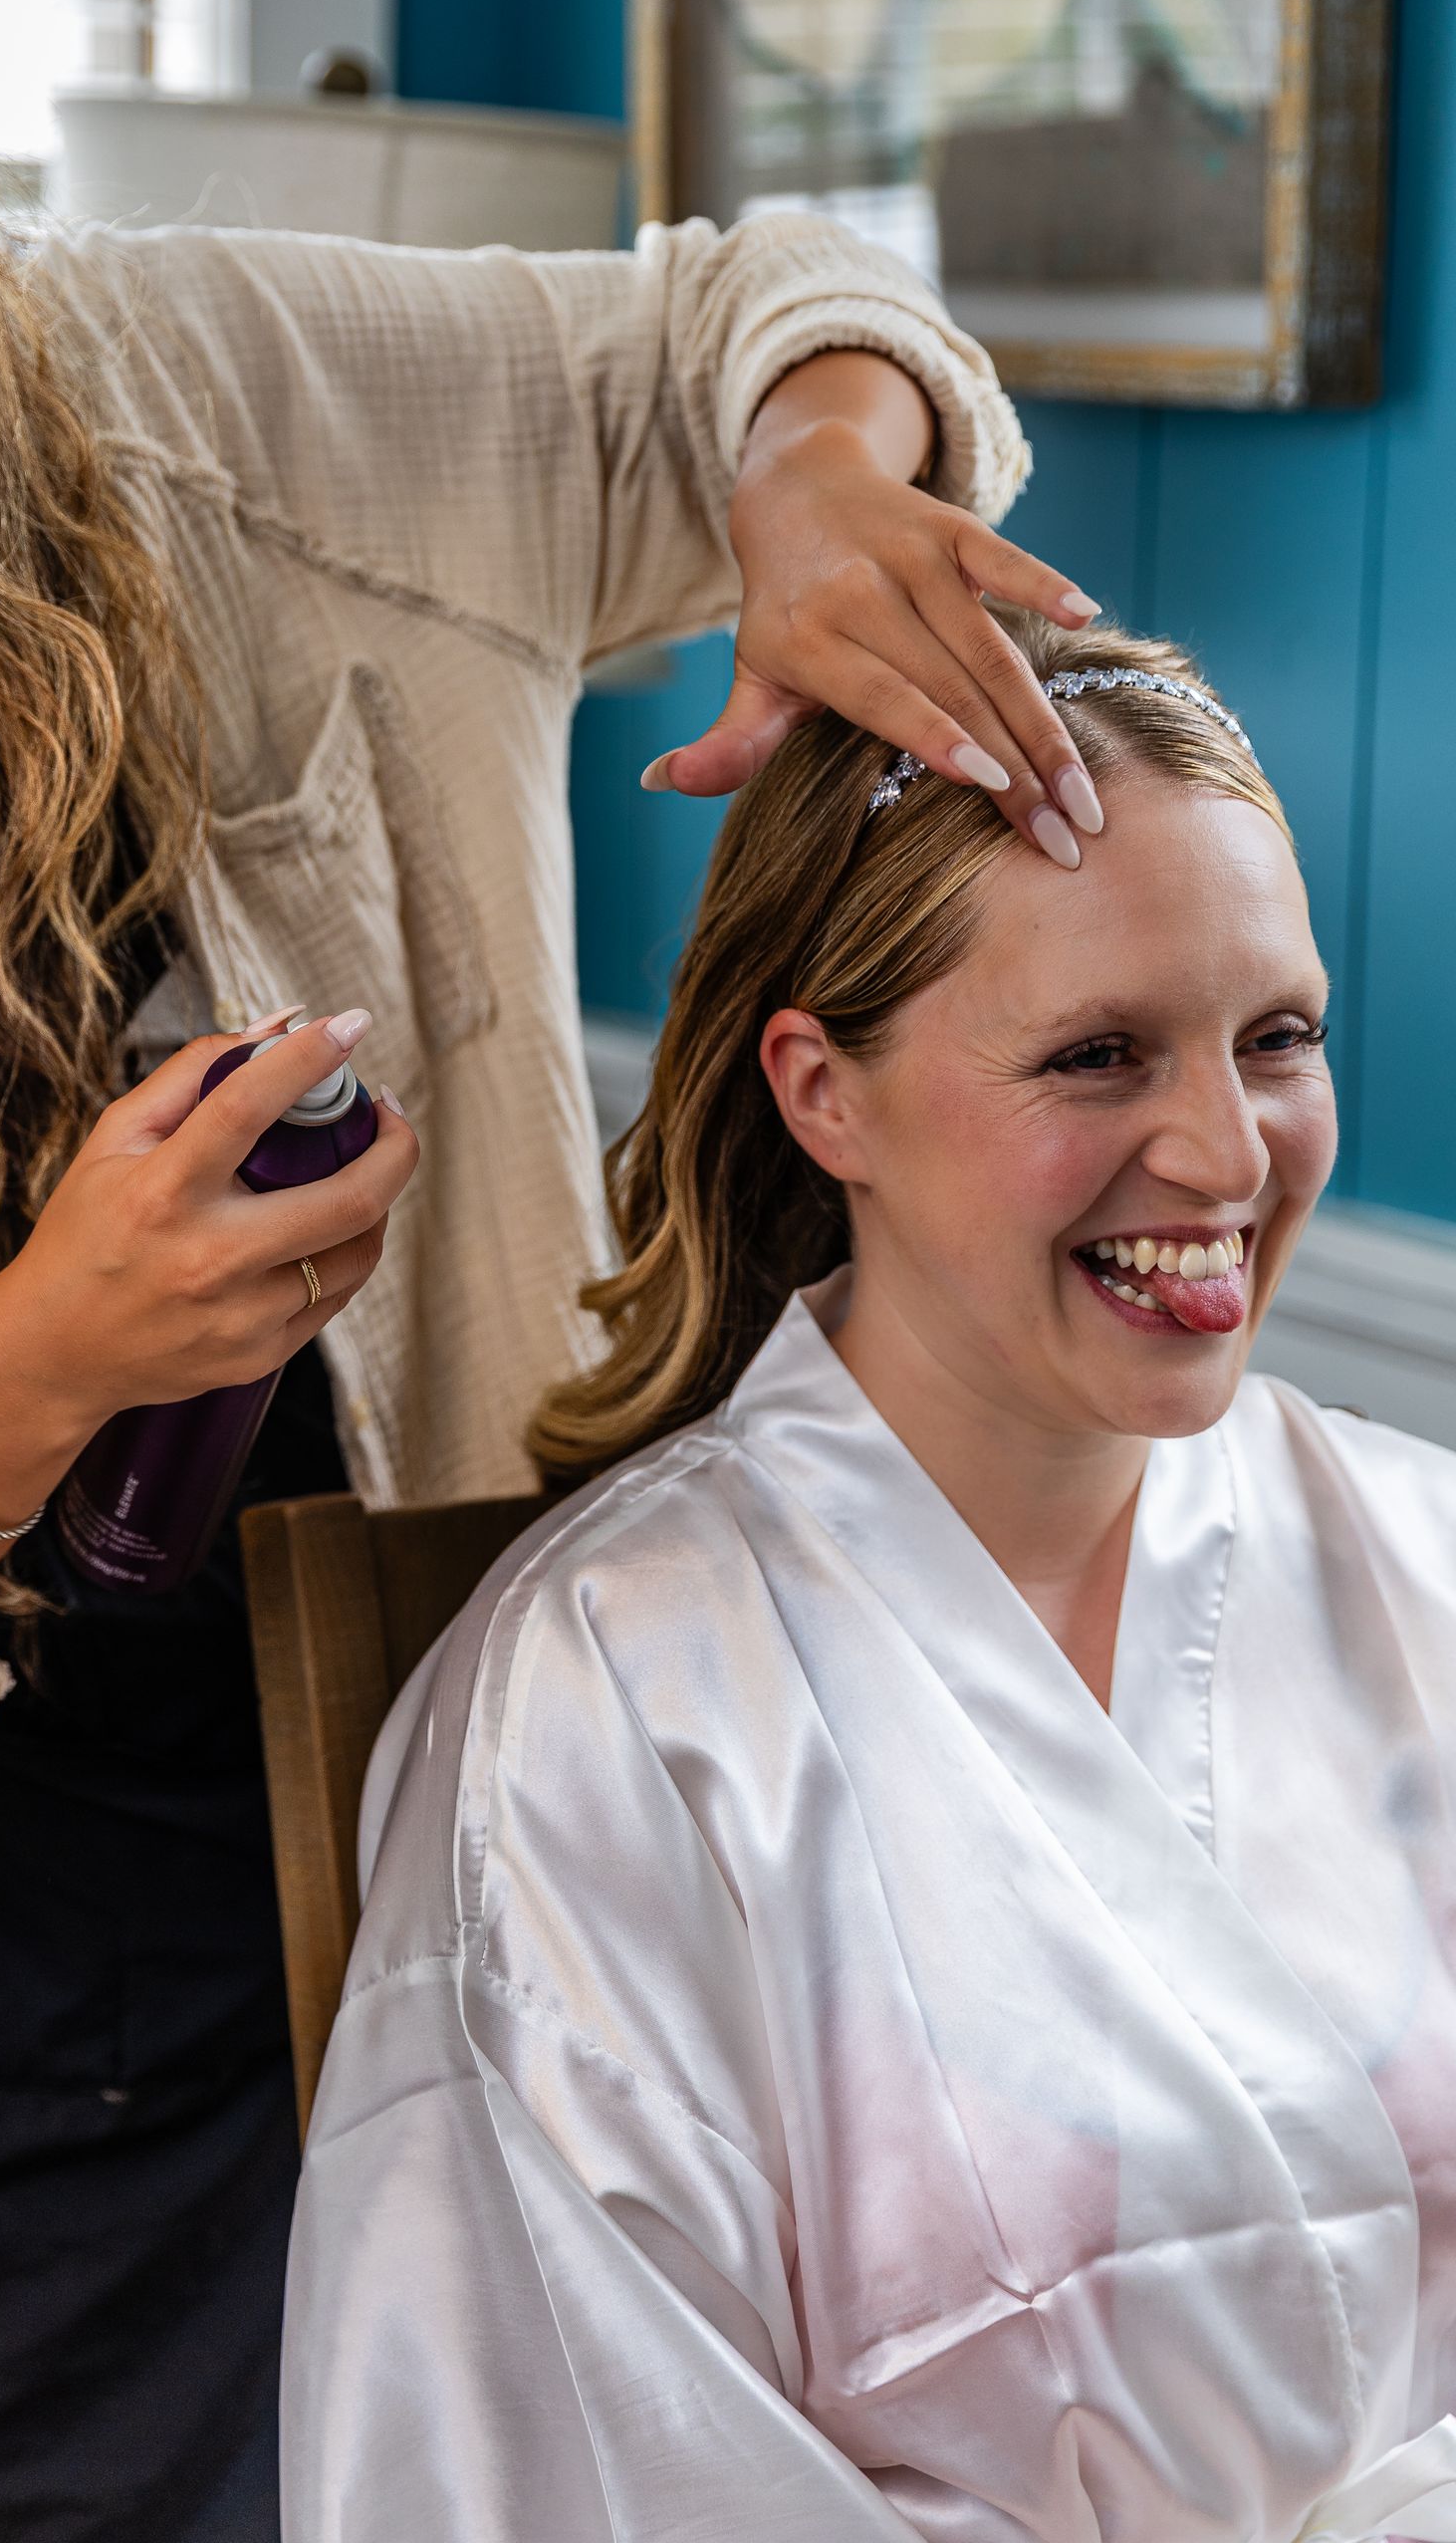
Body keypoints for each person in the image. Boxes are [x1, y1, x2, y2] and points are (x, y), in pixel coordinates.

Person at [0, 0, 1088, 2542]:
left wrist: (819, 476)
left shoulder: (187, 401)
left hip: (447, 1895)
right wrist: (37, 1363)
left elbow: (746, 307)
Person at [284, 609, 1456, 2543]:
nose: (1227, 1150)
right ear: (823, 1092)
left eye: (1279, 1038)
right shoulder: (610, 1722)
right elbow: (542, 2466)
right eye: (1098, 1055)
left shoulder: (1422, 1566)